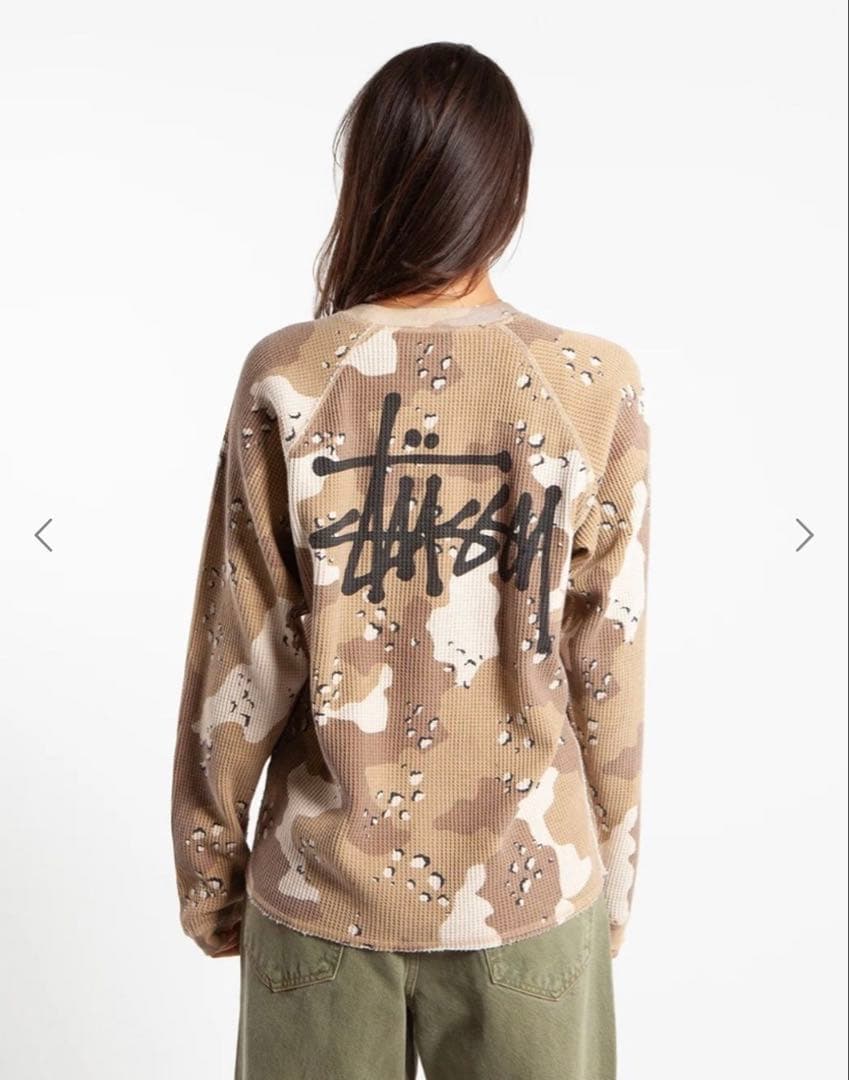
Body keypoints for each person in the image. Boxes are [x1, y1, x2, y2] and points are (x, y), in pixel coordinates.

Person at [170, 40, 650, 1080]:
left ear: (369, 180)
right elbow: (607, 661)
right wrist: (611, 876)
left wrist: (209, 870)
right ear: (506, 192)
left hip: (321, 897)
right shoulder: (589, 384)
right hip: (534, 892)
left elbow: (240, 650)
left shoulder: (292, 376)